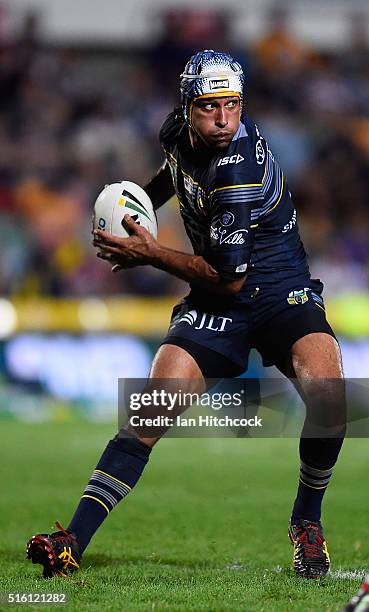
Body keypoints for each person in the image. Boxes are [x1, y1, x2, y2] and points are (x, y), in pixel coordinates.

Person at [26, 49, 346, 580]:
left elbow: (231, 276)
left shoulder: (237, 169)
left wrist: (149, 252)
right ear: (187, 107)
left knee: (332, 396)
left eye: (233, 105)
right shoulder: (176, 131)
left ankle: (306, 522)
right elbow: (175, 174)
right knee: (151, 410)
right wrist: (137, 209)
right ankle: (70, 542)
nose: (224, 119)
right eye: (210, 107)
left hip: (272, 285)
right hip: (217, 290)